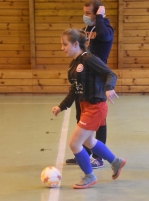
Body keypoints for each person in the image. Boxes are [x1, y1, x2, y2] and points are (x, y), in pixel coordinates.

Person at [52, 28, 125, 189]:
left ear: (76, 44)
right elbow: (74, 89)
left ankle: (89, 176)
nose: (62, 48)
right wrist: (61, 106)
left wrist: (109, 87)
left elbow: (110, 74)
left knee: (74, 144)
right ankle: (116, 162)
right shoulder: (74, 64)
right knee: (89, 141)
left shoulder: (89, 59)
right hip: (86, 107)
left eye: (65, 44)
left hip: (95, 107)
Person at [65, 0, 114, 169]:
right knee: (81, 114)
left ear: (98, 13)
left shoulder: (105, 28)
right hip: (84, 76)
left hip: (98, 77)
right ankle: (83, 154)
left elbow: (105, 37)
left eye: (89, 13)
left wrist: (100, 17)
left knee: (99, 120)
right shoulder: (88, 28)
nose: (85, 16)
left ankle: (99, 158)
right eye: (84, 12)